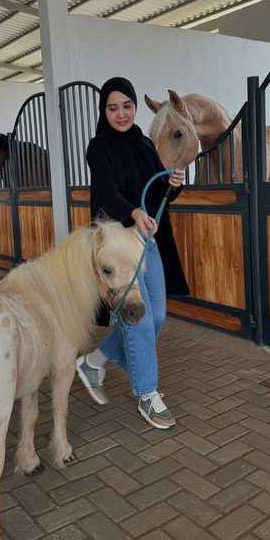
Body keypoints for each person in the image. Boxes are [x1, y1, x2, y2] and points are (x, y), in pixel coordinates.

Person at [76, 77, 189, 429]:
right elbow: (106, 192)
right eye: (113, 108)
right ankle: (147, 394)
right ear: (104, 111)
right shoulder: (99, 147)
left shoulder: (144, 142)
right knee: (137, 317)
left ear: (134, 108)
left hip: (147, 239)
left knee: (155, 316)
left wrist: (174, 186)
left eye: (126, 106)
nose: (121, 113)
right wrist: (132, 212)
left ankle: (93, 362)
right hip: (117, 240)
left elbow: (158, 194)